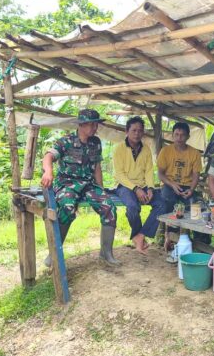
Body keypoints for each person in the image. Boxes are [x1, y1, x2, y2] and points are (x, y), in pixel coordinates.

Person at [40, 108, 119, 265]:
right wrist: (48, 172)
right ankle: (54, 253)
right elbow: (48, 156)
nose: (95, 128)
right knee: (67, 208)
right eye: (91, 124)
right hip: (67, 184)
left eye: (96, 124)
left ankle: (106, 253)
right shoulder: (66, 141)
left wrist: (101, 189)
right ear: (81, 125)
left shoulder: (95, 142)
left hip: (88, 185)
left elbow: (97, 167)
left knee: (109, 207)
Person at [113, 116, 166, 254]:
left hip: (143, 186)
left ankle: (140, 236)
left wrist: (150, 188)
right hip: (124, 186)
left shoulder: (146, 149)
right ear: (127, 131)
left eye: (140, 131)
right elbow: (119, 174)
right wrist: (136, 189)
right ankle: (138, 235)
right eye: (134, 130)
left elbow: (149, 171)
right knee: (132, 207)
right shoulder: (119, 149)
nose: (137, 133)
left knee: (162, 204)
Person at [157, 121, 202, 253]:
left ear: (188, 136)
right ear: (172, 135)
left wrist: (191, 189)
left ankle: (199, 240)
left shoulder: (194, 153)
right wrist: (172, 184)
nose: (179, 138)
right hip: (169, 184)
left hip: (187, 186)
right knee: (167, 201)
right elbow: (160, 174)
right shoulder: (165, 151)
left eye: (182, 135)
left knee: (195, 206)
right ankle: (169, 235)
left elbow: (196, 175)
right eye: (176, 134)